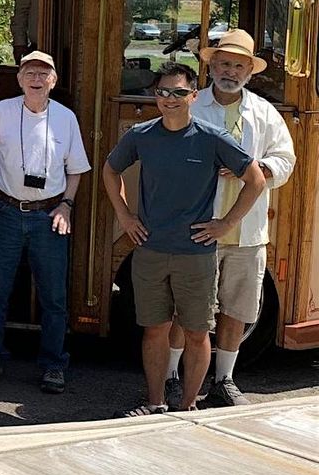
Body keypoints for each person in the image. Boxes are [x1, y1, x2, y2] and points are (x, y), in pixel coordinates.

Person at [103, 62, 266, 415]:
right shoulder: (141, 136)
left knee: (196, 333)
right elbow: (110, 169)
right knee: (154, 331)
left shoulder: (212, 137)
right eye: (163, 92)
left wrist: (225, 224)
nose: (169, 99)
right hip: (150, 250)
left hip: (196, 254)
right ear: (155, 96)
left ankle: (189, 407)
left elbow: (256, 179)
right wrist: (124, 215)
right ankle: (156, 403)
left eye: (178, 92)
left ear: (194, 95)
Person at [163, 30, 294, 408]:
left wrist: (253, 169)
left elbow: (286, 160)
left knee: (237, 308)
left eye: (239, 65)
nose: (230, 71)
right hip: (197, 228)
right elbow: (170, 154)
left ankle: (224, 379)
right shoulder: (192, 104)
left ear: (250, 72)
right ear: (211, 66)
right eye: (224, 63)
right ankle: (172, 375)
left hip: (248, 232)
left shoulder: (265, 112)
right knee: (183, 309)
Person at [0, 50, 90, 395]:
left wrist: (67, 206)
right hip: (6, 210)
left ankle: (53, 363)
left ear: (54, 81)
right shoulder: (3, 110)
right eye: (30, 73)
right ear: (20, 78)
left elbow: (76, 170)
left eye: (44, 73)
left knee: (53, 296)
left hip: (49, 214)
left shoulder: (66, 117)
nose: (37, 79)